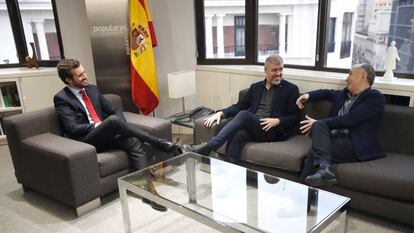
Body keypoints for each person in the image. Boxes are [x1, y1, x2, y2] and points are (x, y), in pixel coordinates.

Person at [54, 59, 181, 211]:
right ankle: (160, 143)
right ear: (68, 79)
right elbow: (73, 128)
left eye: (84, 72)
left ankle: (149, 193)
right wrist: (102, 125)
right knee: (113, 121)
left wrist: (118, 126)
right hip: (86, 142)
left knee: (132, 141)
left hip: (107, 134)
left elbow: (114, 110)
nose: (85, 76)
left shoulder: (92, 89)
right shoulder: (62, 98)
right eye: (80, 75)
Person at [184, 55, 300, 163]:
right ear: (265, 70)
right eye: (274, 70)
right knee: (238, 134)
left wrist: (277, 121)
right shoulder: (256, 87)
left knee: (244, 115)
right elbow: (240, 106)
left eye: (281, 69)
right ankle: (230, 174)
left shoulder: (291, 89)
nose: (278, 73)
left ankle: (210, 146)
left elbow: (295, 117)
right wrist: (221, 113)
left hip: (273, 130)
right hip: (255, 127)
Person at [296, 63, 385, 187]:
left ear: (362, 76)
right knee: (316, 146)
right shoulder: (344, 94)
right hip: (335, 138)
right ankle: (322, 171)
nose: (347, 78)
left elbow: (351, 119)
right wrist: (308, 95)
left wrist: (318, 123)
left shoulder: (375, 98)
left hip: (355, 144)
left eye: (350, 74)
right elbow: (326, 93)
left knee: (313, 151)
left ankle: (303, 188)